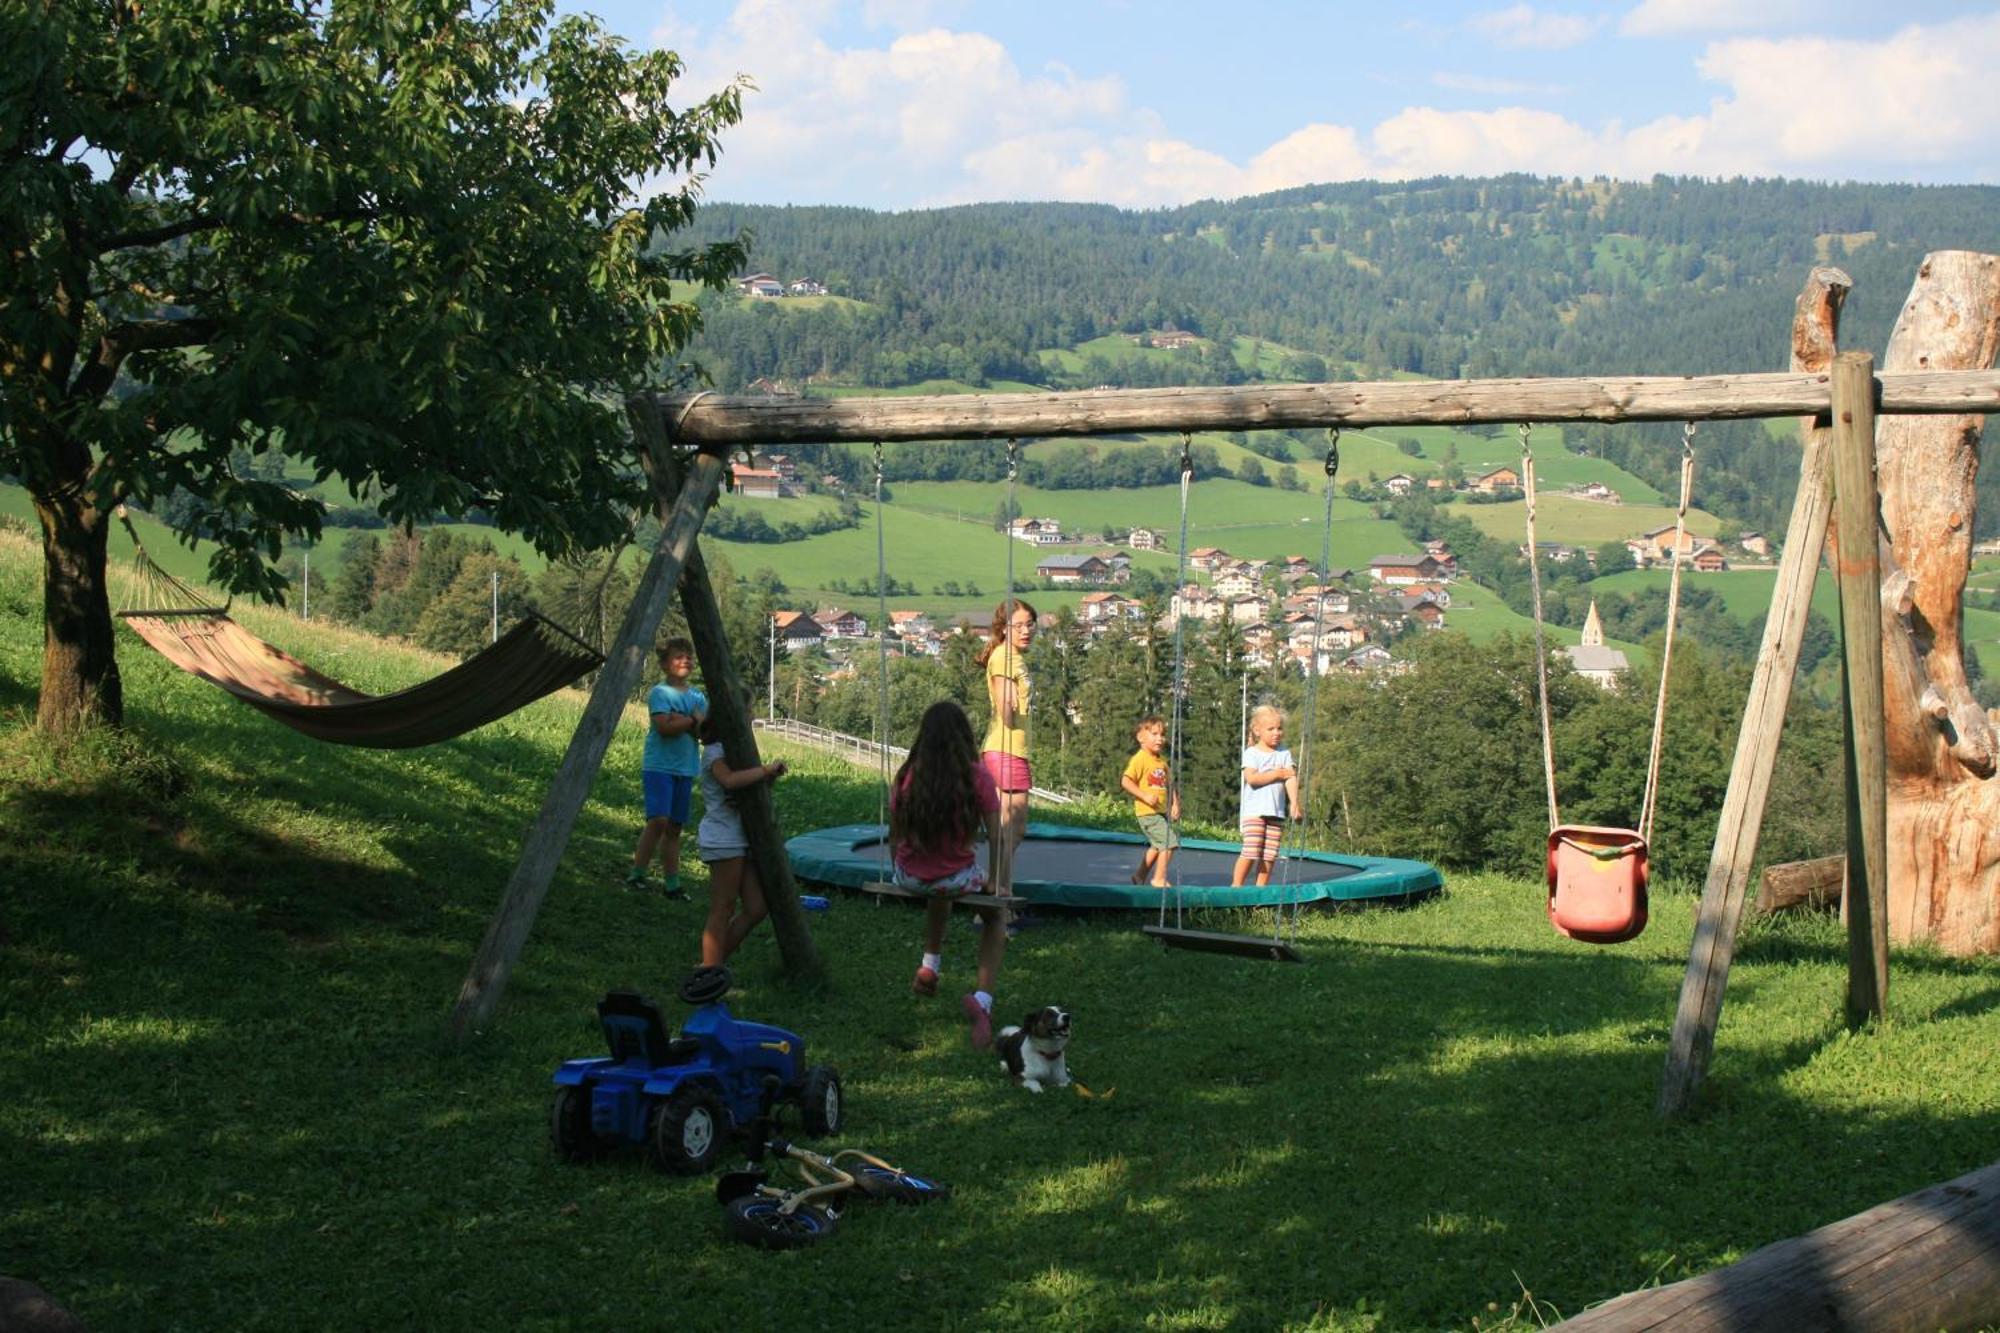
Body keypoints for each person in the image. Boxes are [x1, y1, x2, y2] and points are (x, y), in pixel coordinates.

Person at [890, 700, 1006, 1050]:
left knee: (937, 889)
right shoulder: (977, 776)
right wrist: (995, 880)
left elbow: (895, 835)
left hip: (909, 874)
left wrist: (901, 864)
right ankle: (983, 1001)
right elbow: (997, 834)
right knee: (995, 915)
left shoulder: (908, 774)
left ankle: (930, 964)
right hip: (954, 877)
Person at [694, 714, 788, 966]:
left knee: (757, 907)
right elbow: (729, 780)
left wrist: (769, 777)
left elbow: (747, 786)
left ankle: (712, 964)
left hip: (740, 838)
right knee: (723, 907)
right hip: (723, 838)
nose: (751, 718)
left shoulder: (736, 752)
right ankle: (709, 971)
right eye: (746, 713)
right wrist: (764, 769)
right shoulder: (715, 752)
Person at [628, 637, 707, 897]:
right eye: (678, 656)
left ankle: (671, 883)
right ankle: (637, 873)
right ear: (664, 664)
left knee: (674, 827)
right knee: (658, 821)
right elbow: (664, 728)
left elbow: (703, 732)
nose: (685, 660)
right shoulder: (660, 693)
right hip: (659, 766)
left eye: (688, 656)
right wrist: (690, 721)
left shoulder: (698, 696)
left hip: (685, 768)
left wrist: (682, 721)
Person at [977, 597, 1036, 894]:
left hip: (1013, 749)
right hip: (1004, 748)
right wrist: (1008, 701)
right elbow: (1006, 711)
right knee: (1009, 830)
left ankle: (997, 892)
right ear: (1004, 629)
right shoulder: (1003, 657)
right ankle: (998, 896)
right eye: (1019, 626)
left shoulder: (1014, 657)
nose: (1026, 631)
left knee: (1011, 831)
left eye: (1030, 624)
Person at [1232, 704, 1300, 888]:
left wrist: (1294, 803)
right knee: (1251, 850)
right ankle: (1236, 886)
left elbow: (1291, 778)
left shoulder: (1284, 753)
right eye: (1271, 729)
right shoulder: (1252, 753)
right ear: (1257, 730)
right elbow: (1252, 779)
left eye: (1279, 728)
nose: (1276, 732)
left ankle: (1260, 889)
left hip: (1276, 812)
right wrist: (1277, 774)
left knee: (1270, 854)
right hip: (1255, 812)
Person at [1120, 715, 1180, 888]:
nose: (1159, 739)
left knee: (1156, 846)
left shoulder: (1161, 761)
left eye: (1162, 735)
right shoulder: (1140, 759)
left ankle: (1139, 876)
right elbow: (1126, 781)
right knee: (1169, 843)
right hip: (1147, 812)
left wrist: (1175, 804)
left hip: (1160, 811)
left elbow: (1170, 784)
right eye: (1154, 734)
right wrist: (1144, 796)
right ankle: (1159, 878)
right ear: (1141, 737)